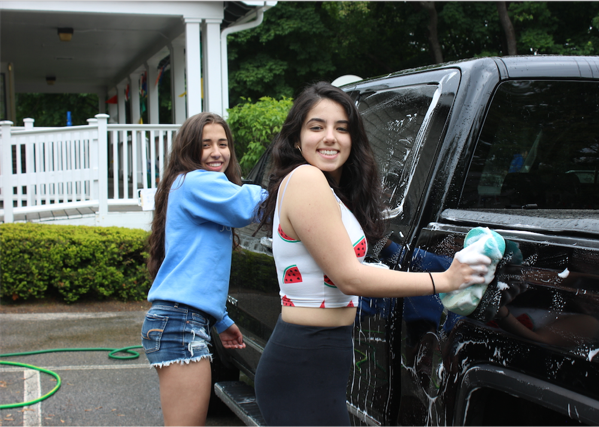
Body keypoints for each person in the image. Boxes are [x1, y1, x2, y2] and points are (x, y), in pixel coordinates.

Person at [253, 82, 491, 427]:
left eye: (342, 128)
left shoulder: (331, 192)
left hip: (320, 359)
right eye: (316, 127)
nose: (330, 137)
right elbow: (349, 277)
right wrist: (445, 280)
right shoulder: (305, 179)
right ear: (295, 139)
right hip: (303, 362)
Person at [141, 112, 266, 427]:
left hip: (179, 320)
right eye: (205, 144)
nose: (216, 152)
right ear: (188, 150)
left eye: (223, 144)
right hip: (179, 325)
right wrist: (287, 184)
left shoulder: (191, 186)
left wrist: (221, 320)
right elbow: (245, 206)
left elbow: (193, 270)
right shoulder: (197, 181)